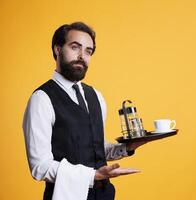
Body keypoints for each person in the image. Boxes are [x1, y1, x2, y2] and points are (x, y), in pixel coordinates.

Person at [23, 22, 146, 200]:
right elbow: (39, 167)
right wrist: (91, 176)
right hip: (66, 195)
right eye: (75, 47)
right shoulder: (42, 99)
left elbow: (96, 148)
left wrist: (127, 147)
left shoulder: (96, 95)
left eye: (88, 51)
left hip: (105, 194)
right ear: (58, 49)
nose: (82, 56)